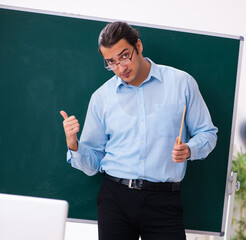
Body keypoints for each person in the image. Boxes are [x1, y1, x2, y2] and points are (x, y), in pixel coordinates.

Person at [60, 21, 218, 240]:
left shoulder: (182, 83)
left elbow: (208, 133)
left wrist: (190, 150)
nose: (120, 68)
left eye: (125, 56)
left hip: (164, 200)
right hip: (115, 199)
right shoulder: (101, 98)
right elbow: (92, 164)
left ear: (139, 46)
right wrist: (73, 145)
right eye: (111, 62)